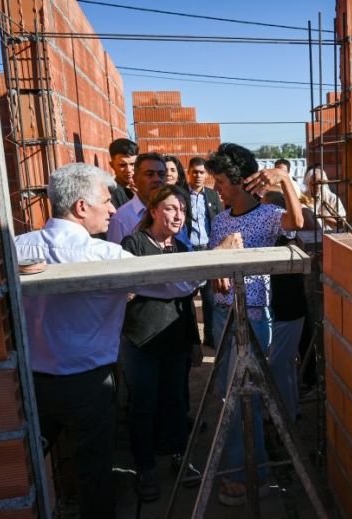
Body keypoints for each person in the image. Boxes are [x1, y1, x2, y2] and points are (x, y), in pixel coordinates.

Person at [14, 163, 199, 517]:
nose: (114, 209)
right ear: (81, 207)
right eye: (105, 201)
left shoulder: (17, 247)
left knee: (22, 464)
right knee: (94, 474)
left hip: (32, 385)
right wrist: (217, 261)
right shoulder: (107, 257)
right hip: (89, 387)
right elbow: (175, 283)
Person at [205, 143, 303, 506]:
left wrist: (285, 180)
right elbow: (215, 264)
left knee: (240, 395)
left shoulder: (268, 215)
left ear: (238, 181)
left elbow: (298, 222)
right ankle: (251, 468)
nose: (216, 188)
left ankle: (247, 475)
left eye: (220, 181)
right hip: (222, 314)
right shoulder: (220, 219)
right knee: (229, 394)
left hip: (254, 315)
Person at [120, 185, 203, 501]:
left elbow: (185, 300)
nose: (178, 215)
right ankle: (145, 469)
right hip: (141, 340)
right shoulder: (134, 244)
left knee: (176, 402)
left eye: (182, 209)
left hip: (175, 340)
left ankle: (181, 458)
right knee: (143, 407)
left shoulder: (182, 249)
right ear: (152, 210)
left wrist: (194, 340)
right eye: (170, 208)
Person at [261, 189, 308, 422]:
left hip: (287, 311)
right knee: (286, 364)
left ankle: (286, 416)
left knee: (280, 364)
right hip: (289, 310)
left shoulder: (285, 239)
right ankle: (292, 410)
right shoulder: (287, 240)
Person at [186, 156, 224, 347]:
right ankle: (192, 340)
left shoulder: (212, 195)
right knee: (187, 298)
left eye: (202, 172)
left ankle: (210, 337)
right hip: (190, 251)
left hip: (209, 249)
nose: (198, 176)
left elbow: (218, 221)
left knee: (210, 299)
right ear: (188, 173)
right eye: (195, 172)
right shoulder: (181, 195)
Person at [303, 166, 347, 230]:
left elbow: (342, 223)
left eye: (320, 183)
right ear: (309, 183)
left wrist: (323, 217)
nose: (318, 186)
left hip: (329, 234)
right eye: (314, 183)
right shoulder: (303, 197)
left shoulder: (332, 198)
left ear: (324, 183)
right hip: (309, 234)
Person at [108, 138, 138, 208]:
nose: (129, 170)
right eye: (122, 165)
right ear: (112, 165)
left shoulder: (146, 186)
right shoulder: (110, 193)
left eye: (132, 164)